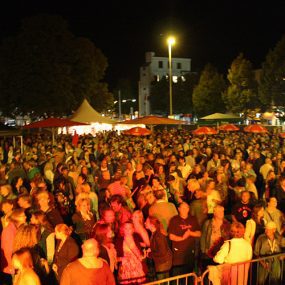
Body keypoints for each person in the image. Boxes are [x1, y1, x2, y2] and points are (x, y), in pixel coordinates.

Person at [168, 202, 201, 278]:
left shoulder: (193, 219)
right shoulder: (174, 220)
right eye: (183, 208)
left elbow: (199, 233)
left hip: (189, 254)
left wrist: (190, 233)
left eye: (187, 208)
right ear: (179, 209)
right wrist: (182, 238)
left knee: (189, 276)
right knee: (178, 277)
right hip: (178, 256)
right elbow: (171, 236)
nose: (185, 210)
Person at [200, 205, 231, 271]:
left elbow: (229, 238)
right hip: (209, 252)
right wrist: (203, 250)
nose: (221, 213)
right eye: (219, 211)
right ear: (214, 213)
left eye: (222, 211)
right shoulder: (207, 223)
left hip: (221, 253)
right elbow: (203, 237)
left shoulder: (227, 224)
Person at [145, 216, 172, 281]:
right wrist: (151, 249)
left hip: (163, 263)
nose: (144, 223)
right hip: (162, 262)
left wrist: (150, 255)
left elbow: (162, 251)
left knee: (162, 281)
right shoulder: (154, 234)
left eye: (146, 222)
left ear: (152, 225)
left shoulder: (158, 236)